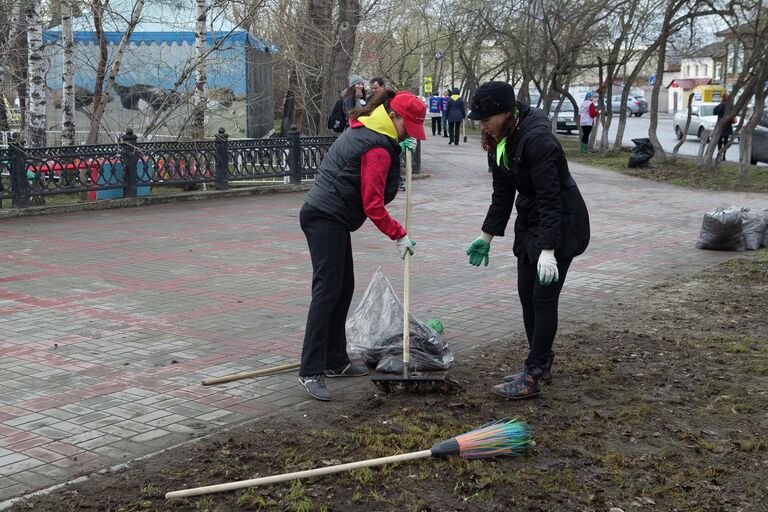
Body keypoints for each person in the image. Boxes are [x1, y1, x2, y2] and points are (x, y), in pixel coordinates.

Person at [298, 90, 426, 401]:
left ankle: (335, 361)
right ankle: (310, 370)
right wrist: (398, 234)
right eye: (408, 127)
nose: (410, 134)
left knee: (342, 287)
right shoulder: (377, 146)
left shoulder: (371, 129)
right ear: (393, 117)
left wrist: (397, 149)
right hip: (324, 216)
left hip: (331, 217)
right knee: (327, 290)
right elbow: (373, 204)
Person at [465, 81, 590, 400]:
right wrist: (486, 235)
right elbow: (503, 194)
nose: (482, 125)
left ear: (506, 112)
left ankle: (533, 373)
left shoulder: (538, 140)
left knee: (543, 297)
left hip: (562, 221)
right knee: (526, 293)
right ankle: (541, 361)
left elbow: (552, 199)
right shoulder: (500, 139)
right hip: (532, 219)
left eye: (486, 118)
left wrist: (548, 250)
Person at [713, 95, 733, 161]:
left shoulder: (720, 105)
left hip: (720, 125)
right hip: (727, 125)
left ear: (722, 98)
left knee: (719, 141)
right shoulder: (730, 106)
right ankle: (724, 154)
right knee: (726, 141)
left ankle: (720, 153)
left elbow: (714, 112)